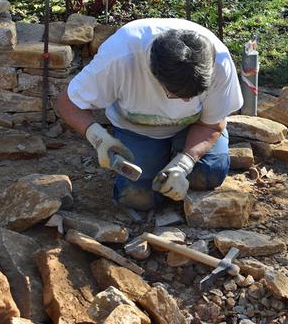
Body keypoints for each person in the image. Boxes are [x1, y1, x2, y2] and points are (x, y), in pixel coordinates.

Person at [56, 18, 243, 211]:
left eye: (193, 96)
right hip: (138, 131)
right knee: (137, 198)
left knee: (209, 173)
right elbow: (67, 103)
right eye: (177, 95)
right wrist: (98, 138)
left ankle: (174, 159)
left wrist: (184, 163)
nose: (187, 102)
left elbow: (212, 124)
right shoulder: (121, 56)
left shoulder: (219, 61)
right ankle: (158, 162)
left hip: (194, 127)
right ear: (154, 74)